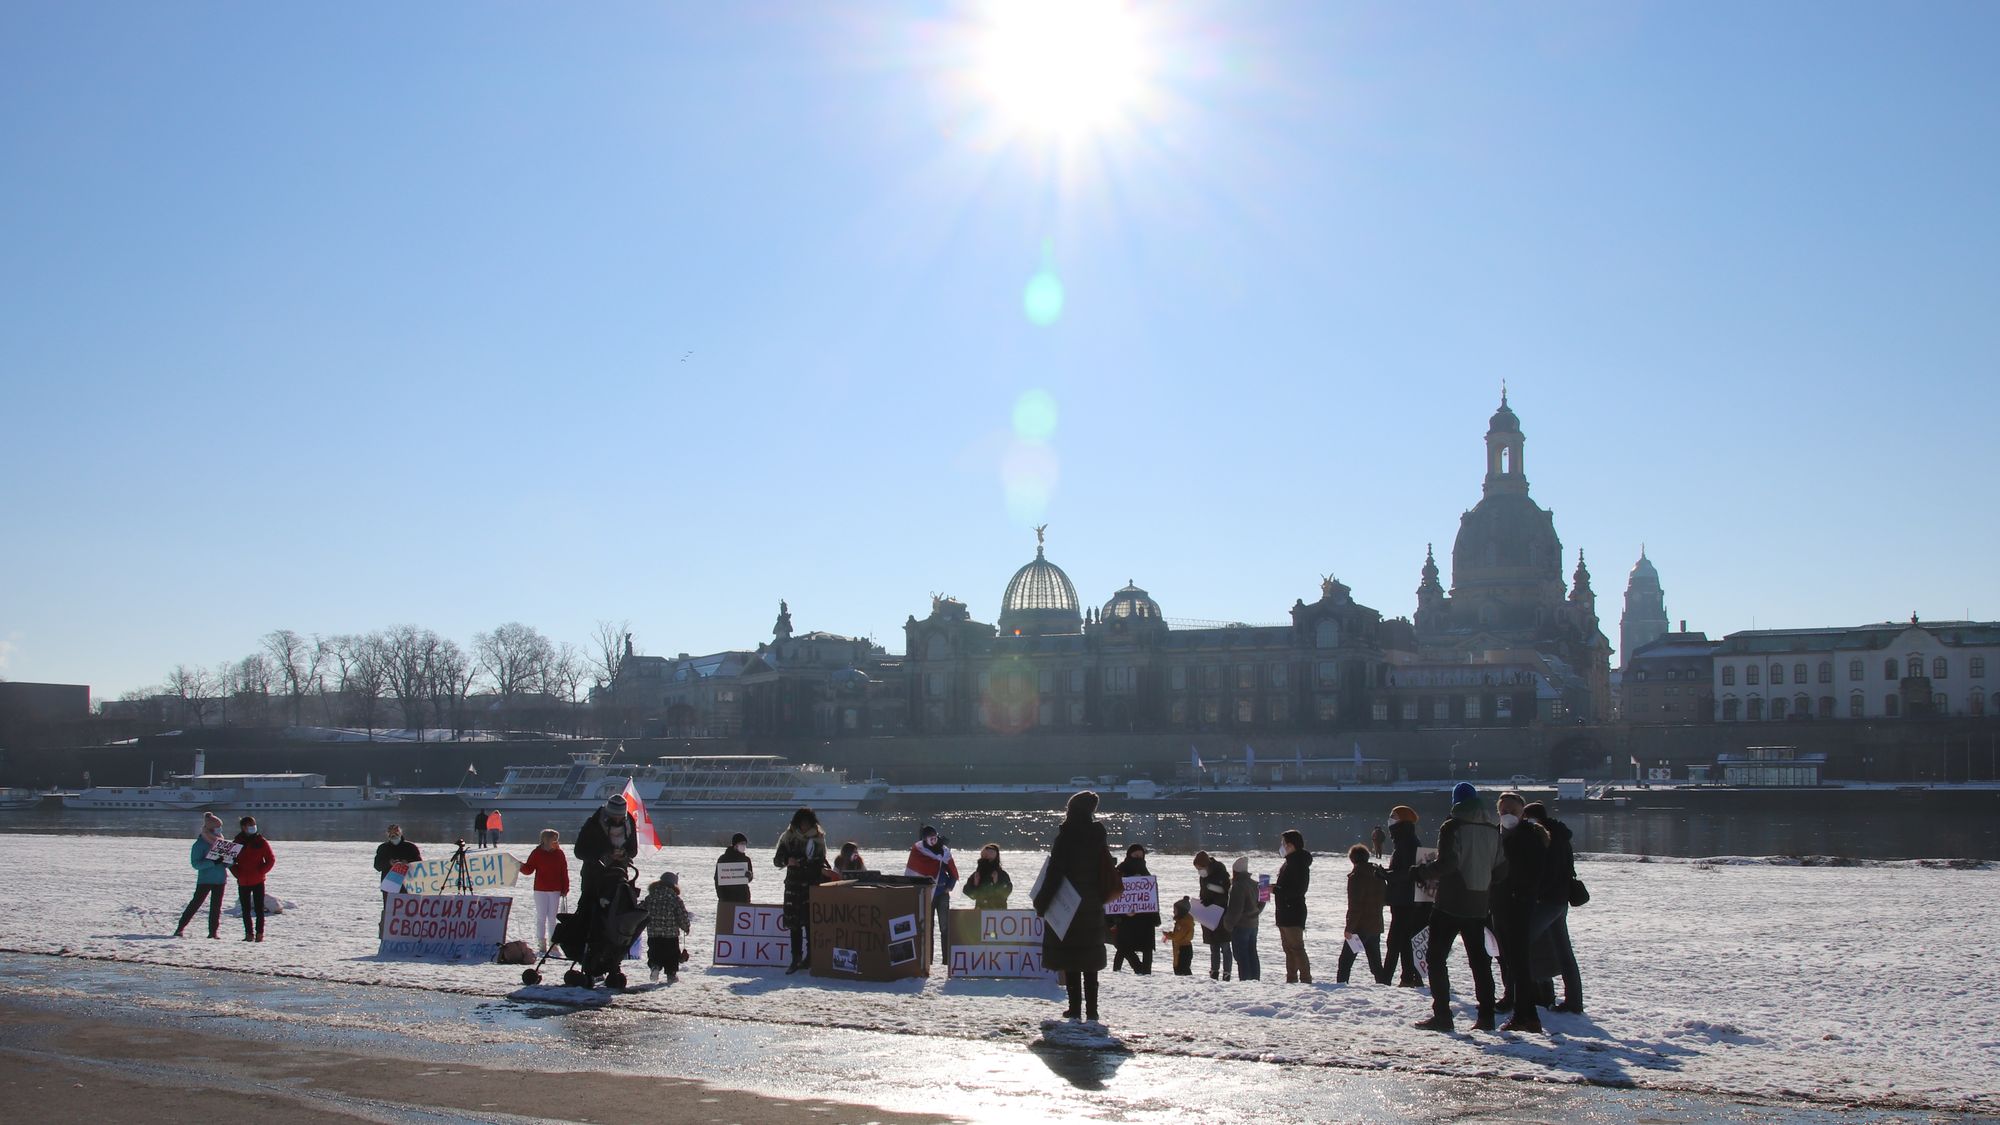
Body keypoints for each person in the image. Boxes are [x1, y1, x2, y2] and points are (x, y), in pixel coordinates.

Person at [1413, 782, 1504, 1033]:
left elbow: (1448, 863)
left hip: (1451, 903)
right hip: (1479, 904)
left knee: (1436, 958)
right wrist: (1483, 883)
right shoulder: (1492, 829)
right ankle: (1486, 1016)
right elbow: (1501, 868)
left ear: (1455, 802)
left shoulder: (1452, 826)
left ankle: (1442, 1015)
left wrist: (1422, 872)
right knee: (1480, 962)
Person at [1033, 790, 1116, 1022]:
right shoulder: (1098, 836)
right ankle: (1092, 1010)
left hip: (1068, 904)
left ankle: (1075, 1008)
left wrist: (1042, 902)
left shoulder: (1066, 836)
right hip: (1092, 903)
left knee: (1070, 959)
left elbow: (1054, 874)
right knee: (1089, 960)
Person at [1492, 791, 1549, 1032]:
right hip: (1500, 904)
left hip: (1517, 905)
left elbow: (1531, 873)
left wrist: (1519, 894)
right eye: (1503, 811)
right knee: (1511, 962)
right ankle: (1525, 1013)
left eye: (1512, 811)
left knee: (1520, 964)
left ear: (1522, 813)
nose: (1507, 815)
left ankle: (1526, 1015)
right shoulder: (1498, 834)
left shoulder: (1528, 836)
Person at [1522, 801, 1584, 1014]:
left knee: (1523, 943)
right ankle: (1574, 1000)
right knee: (1563, 950)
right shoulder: (1561, 835)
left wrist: (1534, 893)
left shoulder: (1545, 838)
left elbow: (1546, 872)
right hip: (1561, 900)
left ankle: (1541, 992)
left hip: (1547, 901)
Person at [775, 807, 830, 973]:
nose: (804, 827)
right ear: (797, 824)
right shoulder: (788, 837)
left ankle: (810, 957)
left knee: (809, 923)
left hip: (810, 885)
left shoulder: (819, 839)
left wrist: (803, 863)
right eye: (802, 824)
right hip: (792, 886)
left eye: (807, 824)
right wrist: (787, 860)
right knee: (794, 924)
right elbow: (777, 860)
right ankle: (795, 958)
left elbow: (820, 861)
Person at [574, 795, 640, 933]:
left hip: (618, 875)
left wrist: (623, 854)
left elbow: (633, 849)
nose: (617, 820)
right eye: (614, 817)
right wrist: (603, 854)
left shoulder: (629, 823)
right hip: (593, 876)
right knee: (588, 910)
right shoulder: (593, 824)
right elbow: (580, 851)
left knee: (618, 911)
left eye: (620, 817)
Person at [1383, 805, 1430, 987]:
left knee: (1395, 941)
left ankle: (1385, 979)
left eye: (1393, 816)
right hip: (1403, 899)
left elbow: (1408, 872)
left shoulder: (1407, 841)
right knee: (1402, 941)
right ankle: (1408, 977)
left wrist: (1388, 875)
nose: (1390, 819)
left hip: (1406, 900)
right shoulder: (1404, 840)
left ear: (1402, 820)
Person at [904, 825, 959, 964]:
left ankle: (947, 961)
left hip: (941, 893)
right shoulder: (918, 851)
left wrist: (949, 887)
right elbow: (912, 873)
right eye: (930, 838)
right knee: (927, 928)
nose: (933, 841)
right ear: (924, 839)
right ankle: (928, 960)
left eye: (935, 837)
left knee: (945, 927)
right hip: (926, 894)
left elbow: (952, 873)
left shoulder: (944, 852)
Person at [173, 813, 230, 939]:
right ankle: (180, 928)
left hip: (220, 879)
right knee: (195, 904)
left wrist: (229, 861)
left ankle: (213, 932)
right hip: (205, 880)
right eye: (217, 827)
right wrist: (212, 862)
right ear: (210, 828)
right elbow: (196, 864)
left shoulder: (221, 842)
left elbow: (227, 863)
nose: (219, 830)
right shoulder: (200, 844)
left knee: (216, 907)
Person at [1339, 844, 1388, 984]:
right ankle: (1383, 987)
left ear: (1352, 859)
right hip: (1375, 925)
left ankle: (1340, 989)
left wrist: (1349, 928)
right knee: (1376, 965)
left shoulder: (1356, 877)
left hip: (1359, 928)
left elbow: (1356, 906)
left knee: (1345, 963)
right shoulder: (1378, 875)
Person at [518, 829, 571, 951]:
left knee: (552, 917)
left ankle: (553, 943)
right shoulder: (537, 853)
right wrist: (520, 866)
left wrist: (565, 888)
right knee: (541, 917)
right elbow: (529, 869)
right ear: (546, 840)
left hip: (555, 889)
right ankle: (541, 942)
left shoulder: (559, 854)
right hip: (540, 889)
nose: (556, 842)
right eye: (554, 839)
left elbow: (564, 872)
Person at [1272, 829, 1314, 984]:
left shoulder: (1299, 863)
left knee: (1296, 948)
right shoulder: (1288, 862)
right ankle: (1291, 978)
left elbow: (1298, 889)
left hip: (1293, 911)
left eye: (1283, 843)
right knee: (1288, 949)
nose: (1281, 846)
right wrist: (1273, 887)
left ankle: (1305, 979)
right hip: (1284, 911)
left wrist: (1275, 890)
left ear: (1290, 845)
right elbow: (1285, 886)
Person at [1111, 844, 1158, 974]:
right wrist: (1122, 913)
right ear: (1129, 855)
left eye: (1140, 855)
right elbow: (1113, 896)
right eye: (1135, 855)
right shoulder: (1120, 871)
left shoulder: (1145, 872)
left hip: (1144, 917)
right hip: (1126, 918)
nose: (1138, 858)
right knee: (1124, 946)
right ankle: (1132, 969)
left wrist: (1154, 915)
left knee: (1147, 945)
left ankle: (1146, 971)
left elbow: (1152, 894)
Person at [639, 871, 692, 983]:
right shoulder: (675, 898)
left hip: (653, 933)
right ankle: (671, 974)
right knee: (671, 956)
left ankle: (655, 966)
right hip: (670, 935)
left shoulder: (650, 897)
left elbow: (641, 910)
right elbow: (682, 915)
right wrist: (686, 927)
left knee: (654, 952)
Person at [230, 815, 275, 943]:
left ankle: (259, 934)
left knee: (259, 909)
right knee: (245, 909)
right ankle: (249, 934)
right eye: (250, 825)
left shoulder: (261, 841)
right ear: (243, 827)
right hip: (243, 881)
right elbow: (230, 861)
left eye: (253, 825)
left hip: (258, 880)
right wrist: (237, 873)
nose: (253, 827)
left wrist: (261, 871)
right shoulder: (237, 842)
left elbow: (270, 859)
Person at [1222, 856, 1264, 981]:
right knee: (1252, 954)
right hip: (1253, 924)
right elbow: (1262, 902)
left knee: (1242, 957)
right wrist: (1255, 913)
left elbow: (1236, 910)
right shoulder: (1255, 884)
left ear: (1235, 872)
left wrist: (1228, 925)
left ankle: (1246, 982)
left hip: (1241, 926)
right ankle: (1255, 980)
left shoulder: (1238, 886)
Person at [372, 823, 422, 930]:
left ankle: (408, 930)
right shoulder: (383, 848)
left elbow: (419, 865)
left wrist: (407, 863)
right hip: (390, 886)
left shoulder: (410, 847)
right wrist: (389, 863)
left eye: (395, 833)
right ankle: (389, 931)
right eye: (391, 834)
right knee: (390, 911)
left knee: (408, 911)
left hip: (407, 885)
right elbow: (377, 866)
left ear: (400, 833)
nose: (393, 836)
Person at [1193, 850, 1233, 980]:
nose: (1199, 871)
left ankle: (1227, 972)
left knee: (1225, 946)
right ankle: (1214, 970)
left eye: (1200, 868)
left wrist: (1213, 901)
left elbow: (1225, 893)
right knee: (1213, 946)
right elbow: (1204, 891)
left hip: (1221, 913)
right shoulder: (1203, 876)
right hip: (1208, 915)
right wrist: (1203, 901)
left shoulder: (1220, 873)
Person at [962, 843, 1013, 910]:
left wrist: (996, 882)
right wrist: (975, 884)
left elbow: (1005, 893)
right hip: (981, 910)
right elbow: (968, 892)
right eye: (985, 856)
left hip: (997, 910)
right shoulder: (977, 874)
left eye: (990, 856)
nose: (987, 858)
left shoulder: (1001, 874)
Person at [715, 833, 755, 905]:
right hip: (727, 897)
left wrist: (749, 875)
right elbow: (717, 879)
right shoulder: (723, 859)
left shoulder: (746, 859)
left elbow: (749, 878)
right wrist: (721, 896)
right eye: (741, 843)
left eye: (744, 844)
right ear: (735, 844)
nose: (743, 846)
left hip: (743, 897)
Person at [1162, 896, 1195, 976]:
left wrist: (1168, 935)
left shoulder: (1183, 922)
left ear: (1181, 911)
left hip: (1183, 949)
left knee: (1183, 969)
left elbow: (1177, 936)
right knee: (1179, 968)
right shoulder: (1181, 921)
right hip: (1180, 948)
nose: (1173, 912)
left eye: (1175, 910)